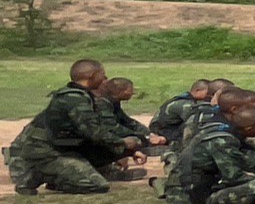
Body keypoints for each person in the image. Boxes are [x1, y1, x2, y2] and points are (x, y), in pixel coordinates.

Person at [9, 58, 153, 195]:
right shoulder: (74, 99)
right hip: (50, 152)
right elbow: (95, 133)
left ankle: (67, 175)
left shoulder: (84, 96)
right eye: (102, 75)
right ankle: (40, 175)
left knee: (120, 148)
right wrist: (124, 144)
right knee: (97, 185)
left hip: (67, 146)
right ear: (92, 76)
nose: (104, 79)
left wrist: (127, 151)